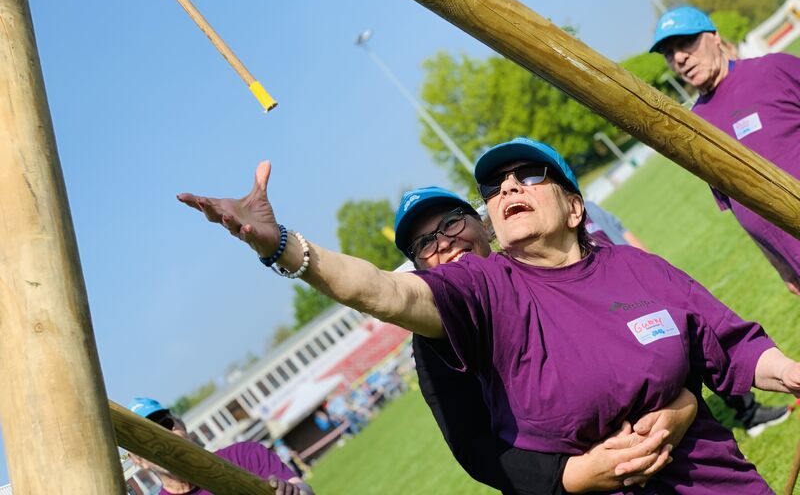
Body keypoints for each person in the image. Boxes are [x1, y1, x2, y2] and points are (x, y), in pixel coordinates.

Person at [178, 137, 800, 493]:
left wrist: (780, 374)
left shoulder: (639, 269)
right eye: (495, 186)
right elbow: (381, 294)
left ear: (575, 207)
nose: (507, 190)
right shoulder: (485, 291)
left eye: (527, 177)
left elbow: (730, 343)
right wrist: (283, 245)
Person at [394, 187, 696, 494]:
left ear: (481, 223)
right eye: (425, 243)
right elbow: (473, 444)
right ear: (418, 266)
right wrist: (569, 475)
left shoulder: (541, 265)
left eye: (451, 222)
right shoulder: (433, 341)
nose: (444, 241)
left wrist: (683, 403)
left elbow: (666, 339)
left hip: (673, 453)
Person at [585, 201, 791, 437]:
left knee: (707, 342)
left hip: (647, 289)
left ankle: (750, 413)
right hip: (622, 311)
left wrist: (656, 272)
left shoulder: (591, 207)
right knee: (669, 378)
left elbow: (623, 232)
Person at [650, 6, 800, 297]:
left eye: (685, 43)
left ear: (715, 37)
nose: (679, 58)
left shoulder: (774, 69)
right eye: (669, 53)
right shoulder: (695, 127)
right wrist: (780, 263)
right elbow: (736, 205)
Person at [127, 397, 313, 495]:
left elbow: (303, 488)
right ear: (137, 460)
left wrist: (294, 492)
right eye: (145, 438)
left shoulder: (245, 455)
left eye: (165, 424)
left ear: (180, 423)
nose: (162, 438)